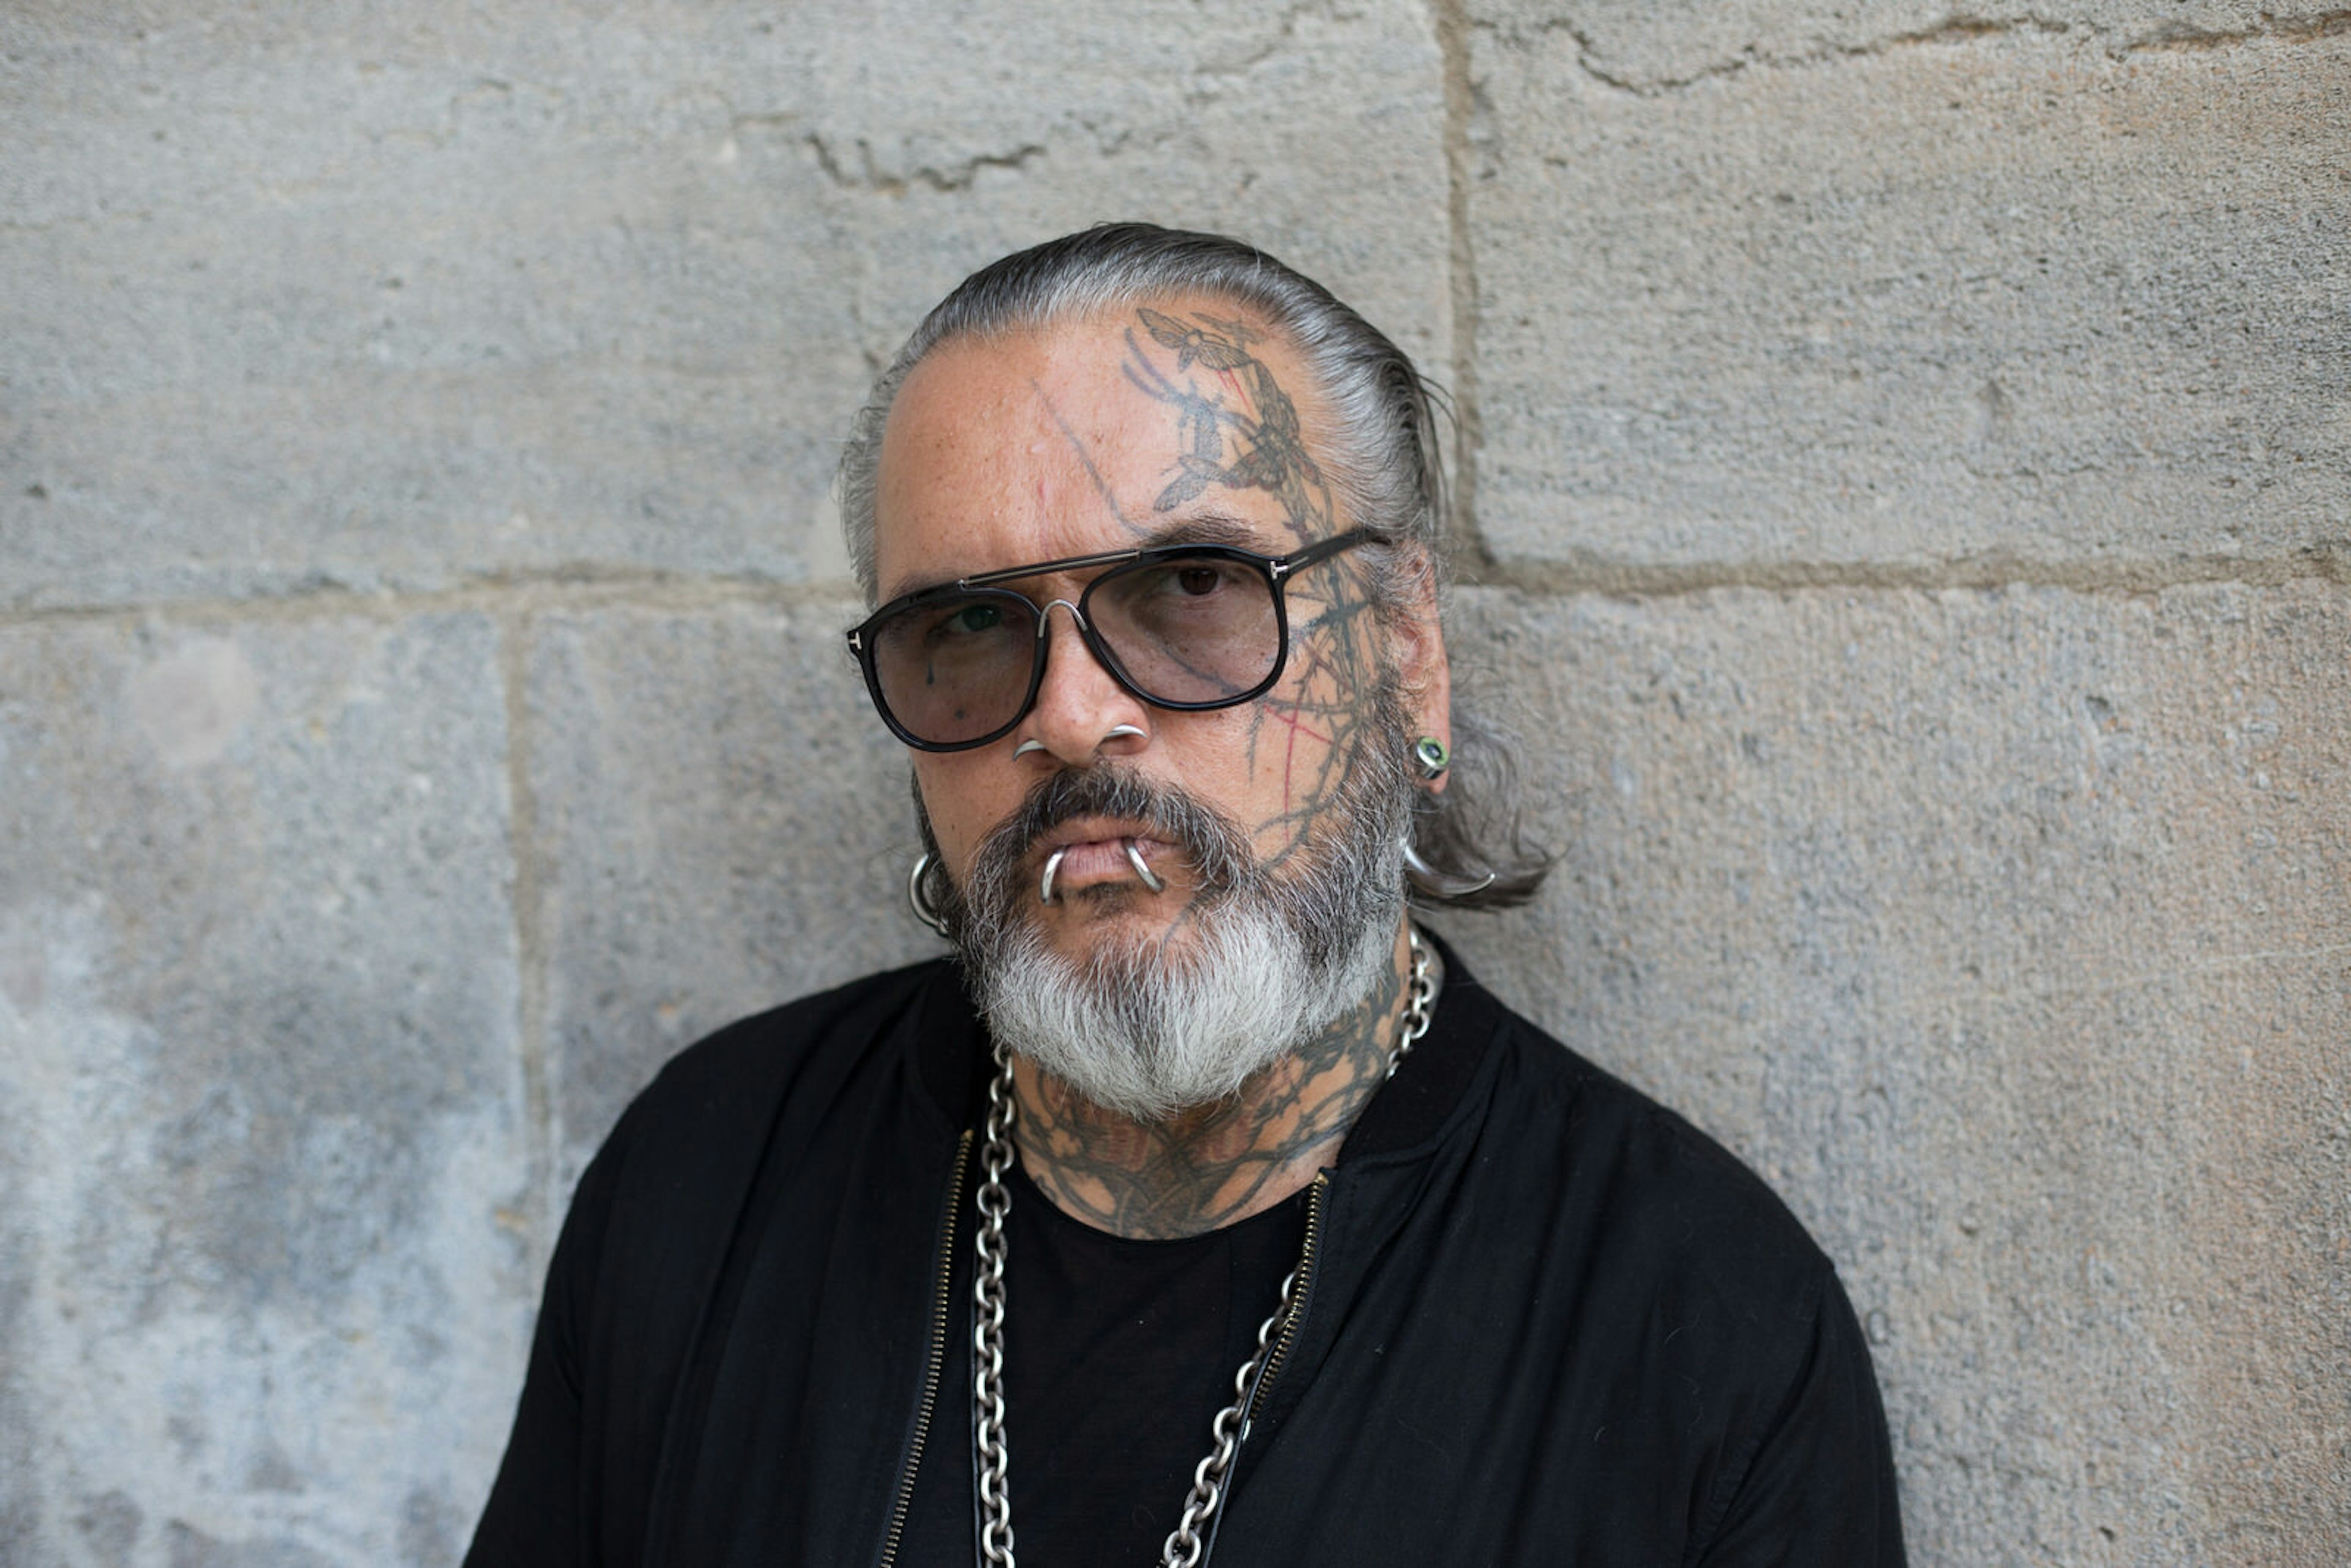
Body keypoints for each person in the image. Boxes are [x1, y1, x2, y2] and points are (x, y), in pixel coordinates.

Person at [465, 223, 1905, 1566]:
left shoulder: (1697, 1325)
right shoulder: (710, 1183)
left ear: (1405, 651)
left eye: (1196, 586)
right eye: (967, 626)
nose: (1074, 717)